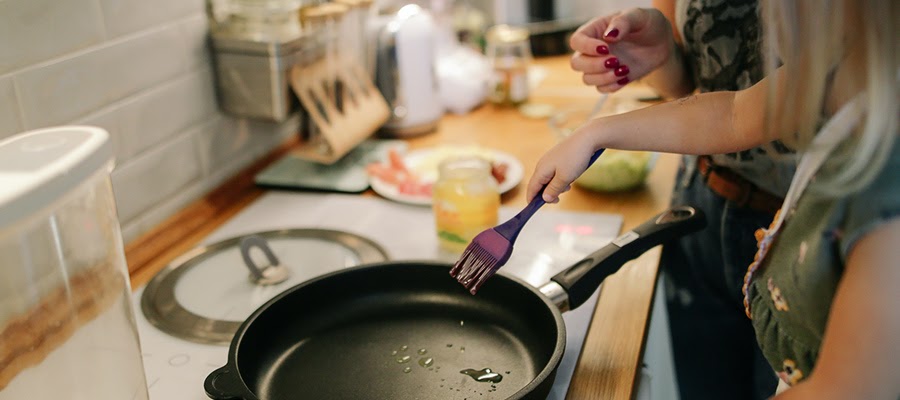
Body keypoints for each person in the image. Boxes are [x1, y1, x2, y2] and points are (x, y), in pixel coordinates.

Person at [528, 0, 899, 397]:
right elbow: (736, 114)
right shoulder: (844, 61)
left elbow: (841, 389)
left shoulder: (883, 211)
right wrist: (594, 134)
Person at [565, 1, 785, 398]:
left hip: (800, 228)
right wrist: (662, 50)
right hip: (700, 206)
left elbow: (740, 115)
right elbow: (691, 86)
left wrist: (597, 133)